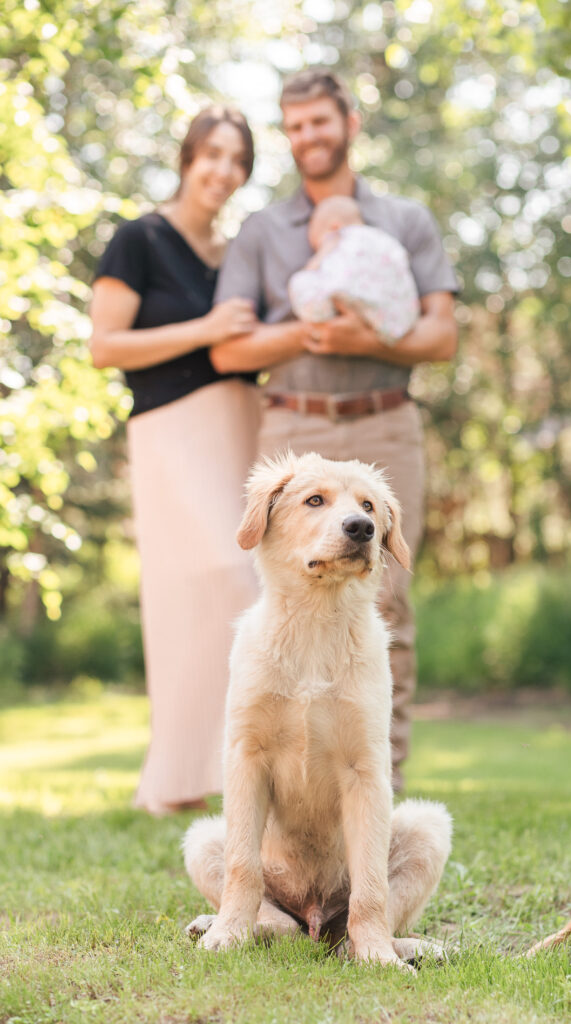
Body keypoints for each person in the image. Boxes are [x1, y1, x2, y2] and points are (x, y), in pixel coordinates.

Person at [209, 71, 459, 791]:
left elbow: (440, 336)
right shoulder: (260, 232)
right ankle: (284, 788)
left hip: (382, 422)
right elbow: (230, 350)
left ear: (349, 121)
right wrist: (308, 332)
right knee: (281, 599)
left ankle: (380, 787)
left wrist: (367, 341)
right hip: (292, 425)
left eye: (319, 121)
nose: (307, 137)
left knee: (387, 607)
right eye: (293, 127)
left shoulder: (405, 222)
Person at [89, 106, 310, 814]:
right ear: (187, 157)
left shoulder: (235, 250)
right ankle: (178, 779)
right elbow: (105, 346)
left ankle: (239, 774)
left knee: (246, 582)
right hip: (172, 427)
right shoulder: (138, 239)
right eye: (211, 154)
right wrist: (205, 329)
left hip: (244, 420)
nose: (223, 170)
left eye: (237, 159)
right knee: (212, 579)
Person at [288, 195, 420, 344]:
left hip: (348, 298)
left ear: (334, 227)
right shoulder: (385, 240)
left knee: (300, 281)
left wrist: (314, 263)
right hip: (398, 320)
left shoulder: (337, 239)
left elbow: (318, 272)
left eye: (317, 243)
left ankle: (317, 322)